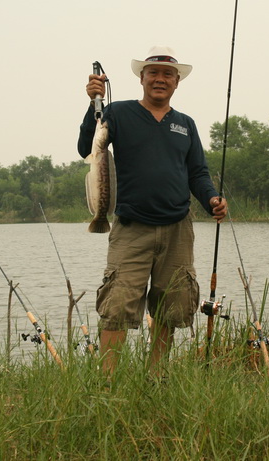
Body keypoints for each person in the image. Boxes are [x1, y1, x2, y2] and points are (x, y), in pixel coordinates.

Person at [77, 46, 227, 377]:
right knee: (116, 305)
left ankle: (156, 377)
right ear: (142, 78)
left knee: (170, 308)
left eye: (167, 75)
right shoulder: (117, 113)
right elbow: (87, 145)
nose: (160, 79)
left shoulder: (185, 124)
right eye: (153, 73)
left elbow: (197, 174)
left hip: (178, 229)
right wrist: (94, 104)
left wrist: (212, 199)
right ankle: (108, 381)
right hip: (131, 227)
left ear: (176, 82)